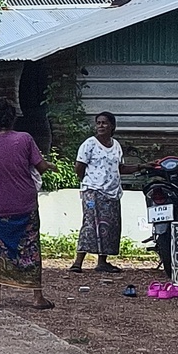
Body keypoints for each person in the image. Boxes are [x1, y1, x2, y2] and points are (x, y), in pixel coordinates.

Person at [0, 96, 52, 309]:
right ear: (14, 118)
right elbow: (40, 167)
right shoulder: (25, 139)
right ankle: (37, 297)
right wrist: (49, 165)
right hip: (25, 202)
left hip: (1, 203)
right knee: (31, 247)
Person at [71, 111, 125, 274]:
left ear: (112, 126)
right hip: (93, 191)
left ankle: (102, 262)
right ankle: (78, 262)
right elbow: (78, 168)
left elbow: (120, 168)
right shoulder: (89, 144)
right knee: (90, 224)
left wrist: (142, 167)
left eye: (104, 123)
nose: (101, 126)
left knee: (109, 227)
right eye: (98, 123)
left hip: (112, 192)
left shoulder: (116, 146)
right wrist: (89, 182)